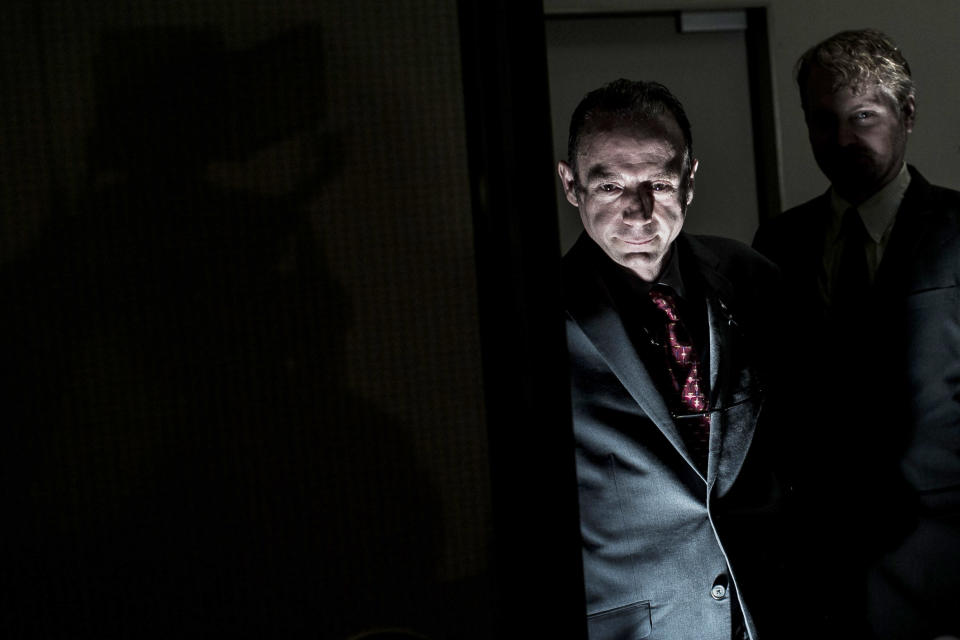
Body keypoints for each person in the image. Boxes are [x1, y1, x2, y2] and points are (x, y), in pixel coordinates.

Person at [559, 79, 789, 640]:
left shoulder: (750, 277)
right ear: (571, 185)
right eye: (610, 185)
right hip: (635, 626)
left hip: (771, 608)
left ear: (688, 181)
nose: (637, 212)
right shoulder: (536, 317)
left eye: (657, 183)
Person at [753, 29, 960, 639]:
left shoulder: (958, 230)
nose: (841, 139)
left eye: (862, 117)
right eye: (824, 120)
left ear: (907, 115)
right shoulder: (779, 243)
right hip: (820, 565)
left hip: (941, 554)